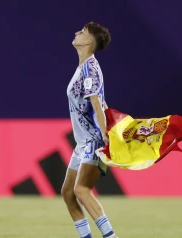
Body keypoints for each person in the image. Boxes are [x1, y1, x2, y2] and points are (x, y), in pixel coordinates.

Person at [61, 22, 118, 238]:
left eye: (82, 32)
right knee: (68, 193)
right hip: (83, 142)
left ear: (88, 41)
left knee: (81, 190)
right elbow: (102, 102)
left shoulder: (90, 68)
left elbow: (96, 103)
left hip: (94, 140)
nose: (77, 33)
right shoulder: (84, 67)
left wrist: (106, 135)